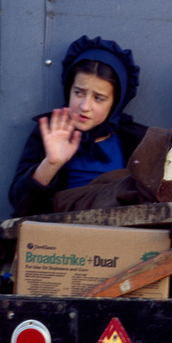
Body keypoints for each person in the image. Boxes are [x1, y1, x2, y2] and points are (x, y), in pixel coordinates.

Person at [9, 35, 147, 217]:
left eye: (99, 98)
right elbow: (18, 203)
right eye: (79, 93)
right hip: (58, 237)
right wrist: (51, 163)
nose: (85, 106)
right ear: (68, 89)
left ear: (115, 103)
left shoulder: (136, 140)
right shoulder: (50, 132)